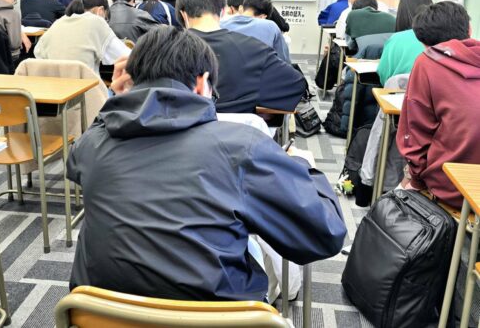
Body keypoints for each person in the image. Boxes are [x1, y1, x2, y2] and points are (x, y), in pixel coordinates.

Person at [67, 26, 346, 300]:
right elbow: (327, 232)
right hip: (218, 317)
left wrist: (116, 102)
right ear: (202, 83)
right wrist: (301, 163)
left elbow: (76, 160)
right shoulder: (242, 146)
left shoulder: (94, 143)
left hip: (101, 313)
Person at [176, 0, 306, 113]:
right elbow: (297, 85)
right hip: (238, 125)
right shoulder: (255, 50)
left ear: (183, 14)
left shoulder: (168, 51)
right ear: (222, 11)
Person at [397, 1, 480, 208]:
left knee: (393, 202)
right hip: (470, 186)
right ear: (469, 29)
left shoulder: (427, 62)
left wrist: (415, 181)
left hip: (452, 188)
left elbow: (415, 135)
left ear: (427, 45)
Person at [34, 0, 130, 75]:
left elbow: (38, 53)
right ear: (100, 11)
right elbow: (126, 56)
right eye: (106, 18)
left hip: (55, 87)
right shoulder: (97, 21)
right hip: (86, 88)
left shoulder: (58, 22)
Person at [377, 0, 433, 86]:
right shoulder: (441, 38)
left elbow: (383, 75)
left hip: (397, 93)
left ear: (401, 14)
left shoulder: (396, 39)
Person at [221, 0, 290, 62]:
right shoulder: (271, 27)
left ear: (242, 8)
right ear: (263, 16)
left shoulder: (221, 25)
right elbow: (284, 61)